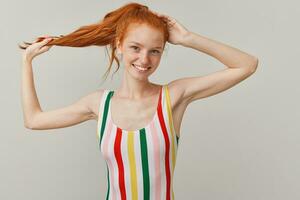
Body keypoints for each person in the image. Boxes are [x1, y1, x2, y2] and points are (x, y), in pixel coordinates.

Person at [19, 2, 258, 200]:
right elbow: (34, 119)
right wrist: (27, 63)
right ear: (119, 45)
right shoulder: (99, 104)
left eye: (155, 50)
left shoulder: (173, 97)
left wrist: (187, 38)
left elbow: (247, 65)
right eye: (136, 47)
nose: (145, 59)